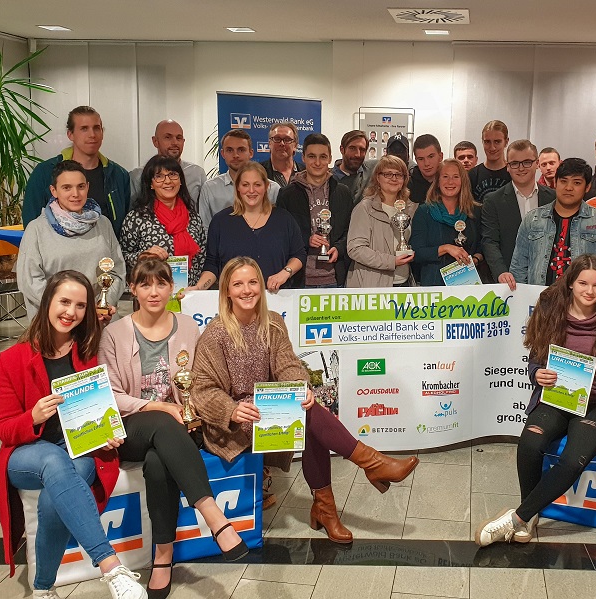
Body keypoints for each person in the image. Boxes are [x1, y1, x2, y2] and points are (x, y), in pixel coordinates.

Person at [191, 257, 419, 543]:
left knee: (306, 408)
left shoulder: (271, 323)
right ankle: (369, 465)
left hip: (271, 407)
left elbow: (288, 365)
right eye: (238, 284)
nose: (247, 290)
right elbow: (202, 390)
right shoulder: (216, 334)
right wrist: (232, 410)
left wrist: (300, 387)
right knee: (310, 418)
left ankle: (328, 509)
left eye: (253, 282)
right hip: (235, 422)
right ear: (226, 291)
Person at [0, 271, 147, 599]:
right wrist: (32, 417)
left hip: (79, 450)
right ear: (47, 302)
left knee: (53, 495)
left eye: (80, 305)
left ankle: (42, 589)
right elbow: (3, 428)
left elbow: (103, 407)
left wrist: (107, 432)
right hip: (28, 454)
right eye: (64, 301)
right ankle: (111, 566)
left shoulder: (89, 353)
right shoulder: (12, 359)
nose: (70, 312)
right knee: (51, 458)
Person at [99, 254, 249, 598]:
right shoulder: (115, 333)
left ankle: (162, 557)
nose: (154, 291)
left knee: (157, 461)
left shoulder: (188, 325)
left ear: (172, 287)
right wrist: (157, 405)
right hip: (132, 426)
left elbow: (200, 380)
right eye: (145, 284)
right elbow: (111, 394)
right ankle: (214, 516)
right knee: (159, 423)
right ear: (132, 289)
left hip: (181, 427)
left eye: (162, 283)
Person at [475, 254, 596, 546]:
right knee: (530, 443)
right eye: (583, 283)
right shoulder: (550, 307)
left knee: (571, 460)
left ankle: (518, 518)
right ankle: (531, 512)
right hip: (556, 398)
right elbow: (535, 358)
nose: (590, 291)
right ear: (570, 283)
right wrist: (537, 374)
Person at [17, 160, 126, 323]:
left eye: (81, 186)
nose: (75, 194)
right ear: (53, 191)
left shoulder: (103, 223)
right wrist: (71, 310)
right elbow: (30, 282)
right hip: (57, 321)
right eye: (67, 187)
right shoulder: (37, 229)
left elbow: (117, 271)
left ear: (87, 187)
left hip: (99, 318)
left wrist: (104, 304)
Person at [194, 162, 305, 292]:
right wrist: (198, 288)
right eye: (245, 185)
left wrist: (285, 272)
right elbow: (212, 265)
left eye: (257, 185)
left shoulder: (284, 219)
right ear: (237, 188)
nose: (251, 190)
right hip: (234, 303)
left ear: (266, 187)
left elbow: (299, 254)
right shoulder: (220, 222)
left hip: (277, 300)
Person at [23, 106, 130, 237]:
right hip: (58, 253)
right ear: (70, 134)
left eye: (96, 128)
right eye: (84, 129)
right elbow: (31, 224)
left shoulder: (119, 175)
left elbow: (125, 226)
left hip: (105, 253)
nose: (92, 134)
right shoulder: (45, 172)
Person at [509, 158, 596, 286]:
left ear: (587, 187)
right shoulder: (532, 219)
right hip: (538, 300)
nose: (568, 188)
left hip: (580, 301)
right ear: (555, 182)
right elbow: (518, 267)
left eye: (576, 183)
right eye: (563, 181)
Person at [277, 133, 353, 288]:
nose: (317, 162)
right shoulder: (287, 195)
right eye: (312, 156)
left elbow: (350, 231)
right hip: (301, 281)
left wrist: (339, 248)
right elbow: (281, 236)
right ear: (303, 158)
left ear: (330, 158)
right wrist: (307, 240)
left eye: (323, 157)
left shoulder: (343, 193)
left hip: (335, 280)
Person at [120, 156, 206, 286]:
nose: (167, 181)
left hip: (189, 295)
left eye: (172, 174)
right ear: (151, 184)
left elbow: (202, 259)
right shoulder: (137, 218)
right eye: (159, 176)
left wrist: (197, 289)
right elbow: (122, 257)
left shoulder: (194, 218)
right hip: (152, 294)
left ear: (181, 180)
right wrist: (142, 256)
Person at [481, 140, 555, 289]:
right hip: (509, 281)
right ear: (508, 167)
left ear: (537, 163)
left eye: (527, 162)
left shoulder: (554, 198)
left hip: (548, 281)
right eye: (514, 163)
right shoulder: (493, 200)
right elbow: (490, 242)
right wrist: (501, 272)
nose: (521, 168)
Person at [346, 156, 417, 288]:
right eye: (388, 174)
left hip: (404, 281)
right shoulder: (365, 208)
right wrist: (391, 261)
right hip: (373, 285)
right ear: (377, 178)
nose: (394, 178)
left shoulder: (409, 208)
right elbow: (355, 249)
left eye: (398, 174)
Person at [411, 159, 484, 286]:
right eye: (445, 177)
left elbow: (483, 246)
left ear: (463, 182)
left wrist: (476, 259)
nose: (450, 182)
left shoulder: (475, 211)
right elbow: (417, 252)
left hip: (468, 285)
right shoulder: (424, 212)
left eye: (456, 177)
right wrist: (446, 248)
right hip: (433, 286)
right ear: (438, 182)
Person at [198, 129, 281, 230]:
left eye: (241, 150)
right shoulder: (210, 188)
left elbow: (279, 226)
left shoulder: (273, 188)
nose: (235, 155)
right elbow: (205, 229)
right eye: (229, 150)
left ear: (251, 153)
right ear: (223, 153)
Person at [130, 120, 206, 209]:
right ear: (155, 141)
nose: (175, 143)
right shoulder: (137, 175)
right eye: (168, 137)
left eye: (179, 138)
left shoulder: (197, 173)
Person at [468, 120, 510, 202]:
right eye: (487, 142)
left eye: (497, 142)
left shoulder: (513, 173)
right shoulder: (472, 175)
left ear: (506, 142)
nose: (492, 147)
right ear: (482, 141)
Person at [261, 121, 305, 187]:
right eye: (277, 139)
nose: (282, 143)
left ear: (295, 145)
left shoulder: (306, 173)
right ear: (270, 143)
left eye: (287, 139)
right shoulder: (258, 171)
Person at [332, 129, 370, 201]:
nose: (357, 155)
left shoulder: (371, 171)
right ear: (342, 149)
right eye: (352, 148)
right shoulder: (329, 180)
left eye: (362, 149)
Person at [408, 134, 444, 204]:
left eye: (431, 157)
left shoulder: (450, 183)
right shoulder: (407, 187)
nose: (426, 163)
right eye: (421, 159)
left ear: (440, 156)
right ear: (416, 160)